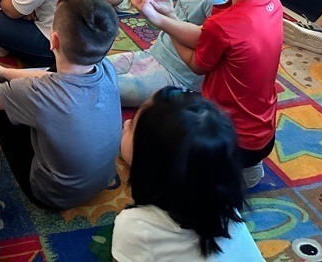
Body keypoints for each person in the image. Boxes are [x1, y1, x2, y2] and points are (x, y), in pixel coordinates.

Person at [134, 0, 287, 188]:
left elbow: (196, 63)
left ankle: (231, 172)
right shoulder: (272, 3)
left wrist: (158, 21)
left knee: (162, 152)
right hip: (262, 134)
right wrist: (169, 15)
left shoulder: (223, 26)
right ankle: (247, 169)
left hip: (228, 138)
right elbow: (209, 37)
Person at [0, 0, 120, 209]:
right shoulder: (106, 68)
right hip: (102, 179)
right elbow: (51, 78)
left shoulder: (38, 94)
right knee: (19, 82)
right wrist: (5, 71)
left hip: (50, 194)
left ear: (53, 40)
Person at [113, 87, 264, 262]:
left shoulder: (135, 227)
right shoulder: (224, 205)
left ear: (152, 158)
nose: (126, 123)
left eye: (133, 125)